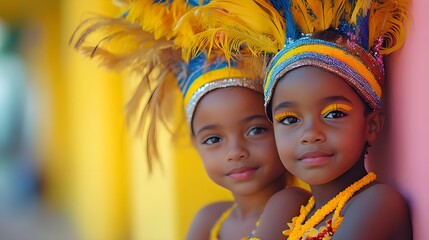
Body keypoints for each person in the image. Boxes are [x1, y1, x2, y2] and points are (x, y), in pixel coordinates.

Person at [70, 1, 310, 239]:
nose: (235, 152)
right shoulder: (210, 218)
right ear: (195, 143)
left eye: (256, 130)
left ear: (282, 126)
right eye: (213, 138)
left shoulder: (289, 203)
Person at [189, 0, 413, 239]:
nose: (310, 134)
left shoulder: (377, 203)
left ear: (372, 126)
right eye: (289, 119)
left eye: (334, 114)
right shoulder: (294, 213)